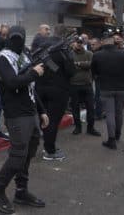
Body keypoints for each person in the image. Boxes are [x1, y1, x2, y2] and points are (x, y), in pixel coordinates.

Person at [0, 25, 49, 214]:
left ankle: (21, 191)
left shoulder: (24, 56)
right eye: (13, 38)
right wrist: (34, 72)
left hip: (30, 112)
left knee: (28, 154)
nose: (16, 42)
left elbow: (31, 88)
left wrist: (42, 111)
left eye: (19, 38)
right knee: (17, 156)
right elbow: (13, 82)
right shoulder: (3, 58)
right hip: (16, 114)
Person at [36, 25, 76, 161]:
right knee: (52, 121)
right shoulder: (64, 48)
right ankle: (50, 151)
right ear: (65, 35)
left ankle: (44, 146)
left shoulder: (43, 44)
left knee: (43, 118)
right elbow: (71, 72)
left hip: (40, 88)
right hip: (58, 90)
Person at [91, 34, 124, 150]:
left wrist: (100, 77)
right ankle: (117, 135)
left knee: (110, 114)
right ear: (113, 42)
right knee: (118, 113)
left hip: (105, 88)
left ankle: (112, 140)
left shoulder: (97, 55)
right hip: (121, 87)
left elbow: (93, 71)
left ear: (103, 42)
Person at [69, 37, 100, 136]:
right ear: (74, 43)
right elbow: (69, 68)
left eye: (81, 42)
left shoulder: (90, 53)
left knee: (91, 108)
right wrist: (84, 65)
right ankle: (78, 127)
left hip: (87, 85)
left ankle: (91, 128)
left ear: (83, 43)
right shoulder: (70, 54)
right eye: (77, 42)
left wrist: (77, 64)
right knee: (75, 108)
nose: (79, 44)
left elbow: (90, 65)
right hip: (74, 85)